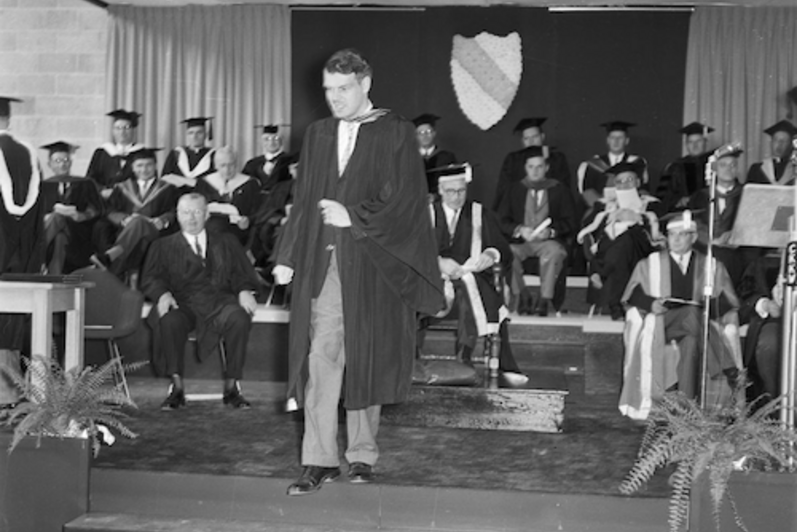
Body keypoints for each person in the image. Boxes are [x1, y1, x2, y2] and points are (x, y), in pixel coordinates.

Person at [273, 48, 444, 495]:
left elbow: (405, 198)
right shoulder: (318, 134)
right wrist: (287, 255)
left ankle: (363, 454)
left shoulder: (395, 131)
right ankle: (319, 459)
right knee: (321, 357)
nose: (334, 98)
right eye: (328, 89)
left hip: (373, 263)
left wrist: (354, 217)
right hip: (325, 263)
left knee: (367, 357)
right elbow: (304, 199)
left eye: (343, 88)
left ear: (365, 84)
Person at [141, 192, 260, 410]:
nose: (191, 218)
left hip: (219, 302)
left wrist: (244, 290)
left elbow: (240, 273)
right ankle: (177, 388)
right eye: (186, 212)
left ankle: (232, 387)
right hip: (182, 303)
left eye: (197, 212)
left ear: (207, 215)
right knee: (169, 320)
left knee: (239, 318)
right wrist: (163, 294)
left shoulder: (227, 242)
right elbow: (150, 279)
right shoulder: (162, 246)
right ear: (177, 215)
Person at [619, 210, 742, 420]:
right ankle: (727, 366)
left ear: (693, 238)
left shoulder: (711, 265)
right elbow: (631, 295)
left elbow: (728, 300)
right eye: (672, 235)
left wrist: (707, 306)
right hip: (661, 324)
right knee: (692, 314)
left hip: (694, 328)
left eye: (682, 235)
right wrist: (651, 303)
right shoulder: (649, 264)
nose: (675, 240)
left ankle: (686, 407)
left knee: (692, 341)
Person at [424, 165, 528, 385]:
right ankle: (411, 360)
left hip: (470, 279)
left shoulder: (479, 213)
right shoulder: (425, 214)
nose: (457, 196)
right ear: (440, 190)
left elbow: (501, 248)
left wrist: (491, 254)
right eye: (451, 191)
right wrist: (437, 262)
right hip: (431, 279)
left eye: (461, 191)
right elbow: (410, 249)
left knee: (469, 290)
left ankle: (464, 359)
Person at [577, 161, 663, 320]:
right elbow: (591, 227)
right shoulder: (604, 205)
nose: (624, 185)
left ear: (638, 182)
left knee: (627, 239)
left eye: (629, 180)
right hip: (609, 248)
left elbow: (659, 229)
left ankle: (603, 275)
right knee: (622, 249)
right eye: (619, 182)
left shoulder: (651, 204)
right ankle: (617, 304)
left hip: (640, 248)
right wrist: (612, 217)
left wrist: (639, 218)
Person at [0, 96, 44, 406]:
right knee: (11, 316)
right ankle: (10, 391)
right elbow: (38, 213)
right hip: (21, 254)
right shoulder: (28, 153)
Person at [496, 146, 576, 317]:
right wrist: (519, 229)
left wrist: (551, 232)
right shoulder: (514, 190)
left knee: (554, 253)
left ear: (547, 168)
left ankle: (544, 299)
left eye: (539, 166)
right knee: (507, 253)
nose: (535, 171)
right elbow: (502, 220)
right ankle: (523, 295)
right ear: (525, 168)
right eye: (531, 167)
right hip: (521, 242)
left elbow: (570, 221)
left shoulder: (559, 190)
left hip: (547, 242)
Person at [90, 148, 178, 279]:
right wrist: (124, 219)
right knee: (137, 225)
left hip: (154, 231)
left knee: (138, 221)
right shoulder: (122, 187)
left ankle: (110, 259)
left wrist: (163, 220)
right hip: (126, 231)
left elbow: (174, 211)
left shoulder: (168, 188)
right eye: (139, 165)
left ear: (155, 166)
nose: (144, 169)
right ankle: (114, 268)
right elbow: (109, 210)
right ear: (132, 168)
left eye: (149, 165)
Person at [687, 145, 750, 286]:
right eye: (723, 165)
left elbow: (752, 223)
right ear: (714, 168)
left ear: (737, 169)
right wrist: (712, 241)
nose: (729, 169)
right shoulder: (700, 196)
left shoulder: (746, 194)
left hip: (735, 249)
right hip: (705, 245)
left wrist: (735, 236)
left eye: (733, 165)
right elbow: (695, 223)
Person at [40, 141, 103, 274]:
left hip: (78, 231)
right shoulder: (43, 186)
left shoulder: (86, 183)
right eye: (57, 161)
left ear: (71, 162)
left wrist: (81, 216)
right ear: (49, 164)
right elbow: (36, 214)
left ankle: (35, 253)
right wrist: (45, 217)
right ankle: (55, 277)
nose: (62, 164)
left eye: (66, 160)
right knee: (59, 236)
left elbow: (97, 209)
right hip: (56, 233)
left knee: (57, 217)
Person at [492, 117, 572, 210]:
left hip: (550, 208)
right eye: (527, 138)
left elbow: (564, 188)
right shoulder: (513, 159)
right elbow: (503, 190)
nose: (531, 142)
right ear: (522, 141)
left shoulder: (556, 158)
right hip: (519, 210)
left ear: (542, 137)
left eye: (535, 137)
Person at [737, 253, 784, 401]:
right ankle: (775, 406)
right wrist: (765, 304)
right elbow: (745, 296)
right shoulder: (764, 263)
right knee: (769, 345)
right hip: (776, 322)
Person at [577, 121, 649, 212]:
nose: (616, 141)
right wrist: (603, 206)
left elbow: (643, 190)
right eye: (612, 138)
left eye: (620, 138)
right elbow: (587, 192)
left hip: (632, 210)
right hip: (600, 210)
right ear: (607, 140)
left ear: (627, 141)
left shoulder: (637, 163)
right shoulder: (592, 165)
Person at [195, 147, 260, 246]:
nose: (227, 170)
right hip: (208, 228)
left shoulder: (250, 184)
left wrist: (249, 220)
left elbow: (258, 210)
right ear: (216, 166)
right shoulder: (204, 183)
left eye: (231, 165)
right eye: (223, 165)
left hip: (237, 230)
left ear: (236, 164)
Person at [86, 109, 144, 200]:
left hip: (133, 201)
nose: (122, 132)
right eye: (118, 128)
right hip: (104, 201)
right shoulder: (101, 152)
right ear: (113, 131)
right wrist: (102, 190)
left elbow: (149, 180)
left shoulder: (143, 153)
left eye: (127, 127)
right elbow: (90, 179)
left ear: (133, 130)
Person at [656, 122, 713, 213]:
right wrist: (678, 200)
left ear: (705, 142)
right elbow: (663, 198)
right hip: (683, 214)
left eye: (699, 141)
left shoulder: (714, 164)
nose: (695, 145)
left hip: (709, 212)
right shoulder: (675, 167)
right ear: (686, 144)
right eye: (690, 142)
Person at [160, 117, 216, 189]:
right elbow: (165, 178)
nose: (195, 136)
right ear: (187, 135)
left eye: (199, 132)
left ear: (206, 134)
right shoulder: (176, 154)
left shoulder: (214, 155)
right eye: (191, 133)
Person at [413, 113, 457, 195]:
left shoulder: (447, 157)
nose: (425, 136)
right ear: (415, 136)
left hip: (441, 200)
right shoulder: (409, 158)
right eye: (421, 133)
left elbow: (453, 183)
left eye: (428, 131)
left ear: (434, 133)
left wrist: (436, 196)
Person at [242, 125, 292, 194]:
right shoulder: (252, 164)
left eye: (275, 138)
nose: (271, 142)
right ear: (261, 142)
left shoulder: (290, 161)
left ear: (281, 141)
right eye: (267, 139)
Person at [746, 120, 797, 186]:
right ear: (771, 143)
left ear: (791, 145)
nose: (779, 144)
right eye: (776, 140)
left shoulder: (794, 169)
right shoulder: (756, 169)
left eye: (784, 141)